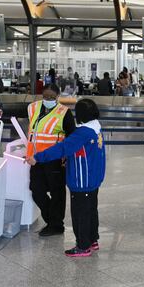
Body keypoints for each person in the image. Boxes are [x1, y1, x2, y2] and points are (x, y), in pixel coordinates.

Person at [27, 99, 104, 257]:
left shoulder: (82, 133)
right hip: (93, 179)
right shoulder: (97, 129)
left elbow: (62, 148)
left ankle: (83, 246)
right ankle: (92, 240)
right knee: (90, 211)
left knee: (80, 213)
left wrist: (38, 157)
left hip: (82, 181)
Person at [26, 84, 76, 236]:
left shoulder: (64, 113)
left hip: (55, 160)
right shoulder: (33, 108)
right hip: (36, 159)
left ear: (58, 97)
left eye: (51, 97)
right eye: (45, 96)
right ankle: (52, 220)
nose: (48, 99)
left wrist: (67, 157)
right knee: (36, 191)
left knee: (57, 193)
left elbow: (71, 137)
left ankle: (55, 225)